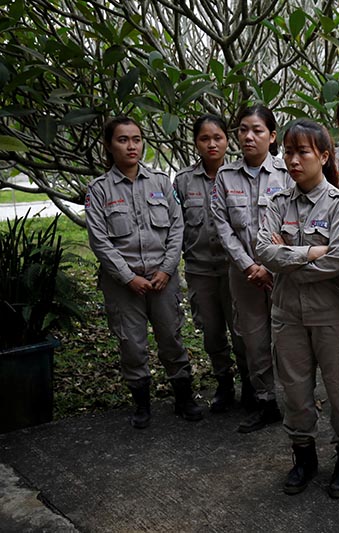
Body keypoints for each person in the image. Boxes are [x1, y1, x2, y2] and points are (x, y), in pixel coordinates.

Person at [255, 119, 339, 498]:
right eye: (288, 151)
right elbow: (263, 250)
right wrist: (309, 253)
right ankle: (304, 458)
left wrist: (288, 257)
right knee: (295, 392)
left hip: (332, 314)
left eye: (302, 151)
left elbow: (338, 259)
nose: (293, 159)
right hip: (288, 315)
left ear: (323, 155)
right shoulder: (276, 202)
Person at [86, 116, 202, 429]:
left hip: (162, 281)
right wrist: (128, 277)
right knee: (132, 345)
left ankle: (184, 398)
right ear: (109, 146)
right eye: (123, 140)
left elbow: (177, 226)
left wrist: (166, 269)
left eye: (136, 139)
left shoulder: (161, 183)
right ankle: (141, 404)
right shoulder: (99, 190)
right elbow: (100, 241)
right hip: (123, 285)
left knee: (172, 339)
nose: (131, 145)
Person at [211, 104, 289, 433]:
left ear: (272, 137)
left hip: (284, 274)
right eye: (243, 130)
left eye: (257, 130)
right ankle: (266, 402)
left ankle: (296, 399)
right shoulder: (226, 177)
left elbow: (296, 222)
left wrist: (272, 264)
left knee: (289, 338)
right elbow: (221, 225)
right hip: (244, 276)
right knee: (254, 340)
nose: (248, 136)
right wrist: (248, 265)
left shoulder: (288, 173)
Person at [173, 114, 250, 413]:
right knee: (212, 332)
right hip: (200, 270)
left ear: (227, 140)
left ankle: (250, 385)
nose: (212, 144)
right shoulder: (182, 181)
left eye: (217, 137)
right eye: (204, 138)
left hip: (235, 268)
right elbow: (176, 226)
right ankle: (224, 384)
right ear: (195, 143)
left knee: (242, 331)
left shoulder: (236, 176)